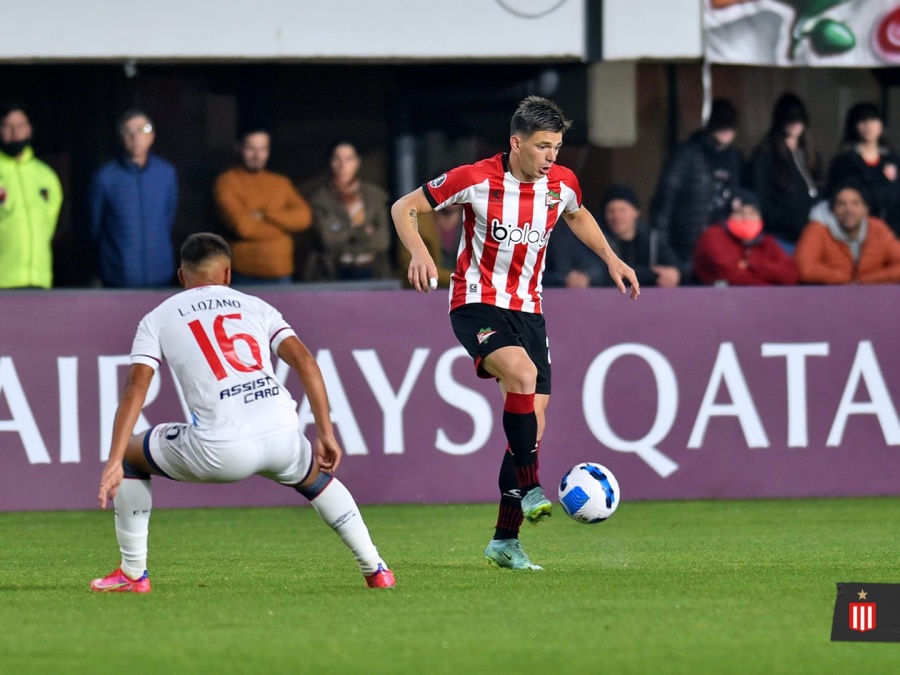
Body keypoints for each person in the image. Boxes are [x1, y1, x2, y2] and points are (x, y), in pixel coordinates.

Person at [391, 96, 639, 571]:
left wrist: (611, 258)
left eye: (558, 147)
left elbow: (577, 213)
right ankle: (530, 487)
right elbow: (405, 207)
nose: (552, 157)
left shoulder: (561, 182)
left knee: (533, 426)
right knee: (522, 375)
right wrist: (420, 252)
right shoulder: (475, 178)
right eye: (544, 147)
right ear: (516, 143)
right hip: (476, 302)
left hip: (530, 311)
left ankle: (505, 541)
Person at [91, 233, 394, 593]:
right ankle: (376, 569)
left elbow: (136, 387)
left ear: (181, 277)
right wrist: (325, 432)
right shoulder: (256, 305)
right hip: (282, 432)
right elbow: (306, 362)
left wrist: (112, 459)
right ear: (228, 274)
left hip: (221, 448)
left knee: (130, 457)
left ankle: (132, 574)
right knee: (315, 480)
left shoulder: (157, 318)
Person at [649, 98, 745, 283]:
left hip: (721, 247)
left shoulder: (734, 157)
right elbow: (664, 202)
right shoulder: (687, 154)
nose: (725, 132)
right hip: (687, 246)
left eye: (729, 127)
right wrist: (663, 250)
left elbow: (740, 197)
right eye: (720, 126)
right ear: (710, 125)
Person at [88, 110, 179, 288]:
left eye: (142, 129)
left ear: (152, 136)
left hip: (160, 273)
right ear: (120, 137)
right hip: (119, 273)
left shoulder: (166, 173)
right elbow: (95, 227)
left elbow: (169, 217)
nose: (135, 136)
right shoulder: (104, 177)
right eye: (128, 131)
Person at [214, 125, 312, 284]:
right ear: (238, 148)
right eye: (251, 149)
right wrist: (284, 229)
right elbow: (244, 227)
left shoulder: (280, 183)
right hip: (243, 275)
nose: (257, 155)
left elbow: (304, 217)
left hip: (281, 274)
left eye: (262, 149)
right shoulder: (227, 182)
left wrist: (266, 215)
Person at [546, 183, 681, 288]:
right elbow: (603, 273)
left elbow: (679, 267)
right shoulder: (596, 238)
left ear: (636, 212)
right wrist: (654, 275)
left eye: (622, 210)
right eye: (611, 211)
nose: (617, 216)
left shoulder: (652, 240)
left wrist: (675, 274)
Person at [306, 140, 392, 281]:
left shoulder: (375, 196)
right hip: (333, 271)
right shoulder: (320, 199)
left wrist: (343, 232)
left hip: (372, 269)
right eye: (337, 159)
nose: (342, 165)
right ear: (330, 162)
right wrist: (364, 230)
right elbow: (328, 240)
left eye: (348, 159)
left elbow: (383, 241)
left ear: (357, 161)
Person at [748, 93, 823, 254]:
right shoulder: (766, 155)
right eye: (789, 118)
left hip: (811, 236)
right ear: (779, 120)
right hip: (780, 238)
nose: (795, 123)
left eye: (799, 118)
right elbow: (761, 199)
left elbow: (820, 189)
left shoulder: (811, 155)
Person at [0, 102, 63, 289]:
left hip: (39, 281)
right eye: (7, 126)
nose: (14, 132)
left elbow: (50, 226)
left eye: (20, 125)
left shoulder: (46, 176)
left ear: (29, 129)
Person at [794, 179, 900, 285]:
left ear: (866, 209)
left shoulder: (878, 229)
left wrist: (864, 281)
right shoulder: (817, 229)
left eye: (855, 203)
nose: (849, 209)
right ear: (833, 209)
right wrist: (845, 281)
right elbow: (805, 268)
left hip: (872, 294)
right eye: (841, 204)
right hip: (828, 295)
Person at [693, 189, 799, 286]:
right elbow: (732, 276)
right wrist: (771, 289)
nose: (746, 218)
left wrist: (753, 263)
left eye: (752, 213)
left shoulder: (766, 241)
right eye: (739, 213)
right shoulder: (713, 236)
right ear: (727, 217)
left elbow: (790, 276)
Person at [827, 103, 900, 236]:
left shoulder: (892, 159)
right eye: (862, 120)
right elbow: (833, 198)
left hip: (893, 234)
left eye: (873, 120)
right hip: (857, 235)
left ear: (881, 124)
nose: (868, 125)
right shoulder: (844, 161)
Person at [396, 203, 461, 288]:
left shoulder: (478, 221)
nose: (453, 195)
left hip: (469, 292)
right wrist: (460, 279)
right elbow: (415, 268)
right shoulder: (414, 223)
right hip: (423, 292)